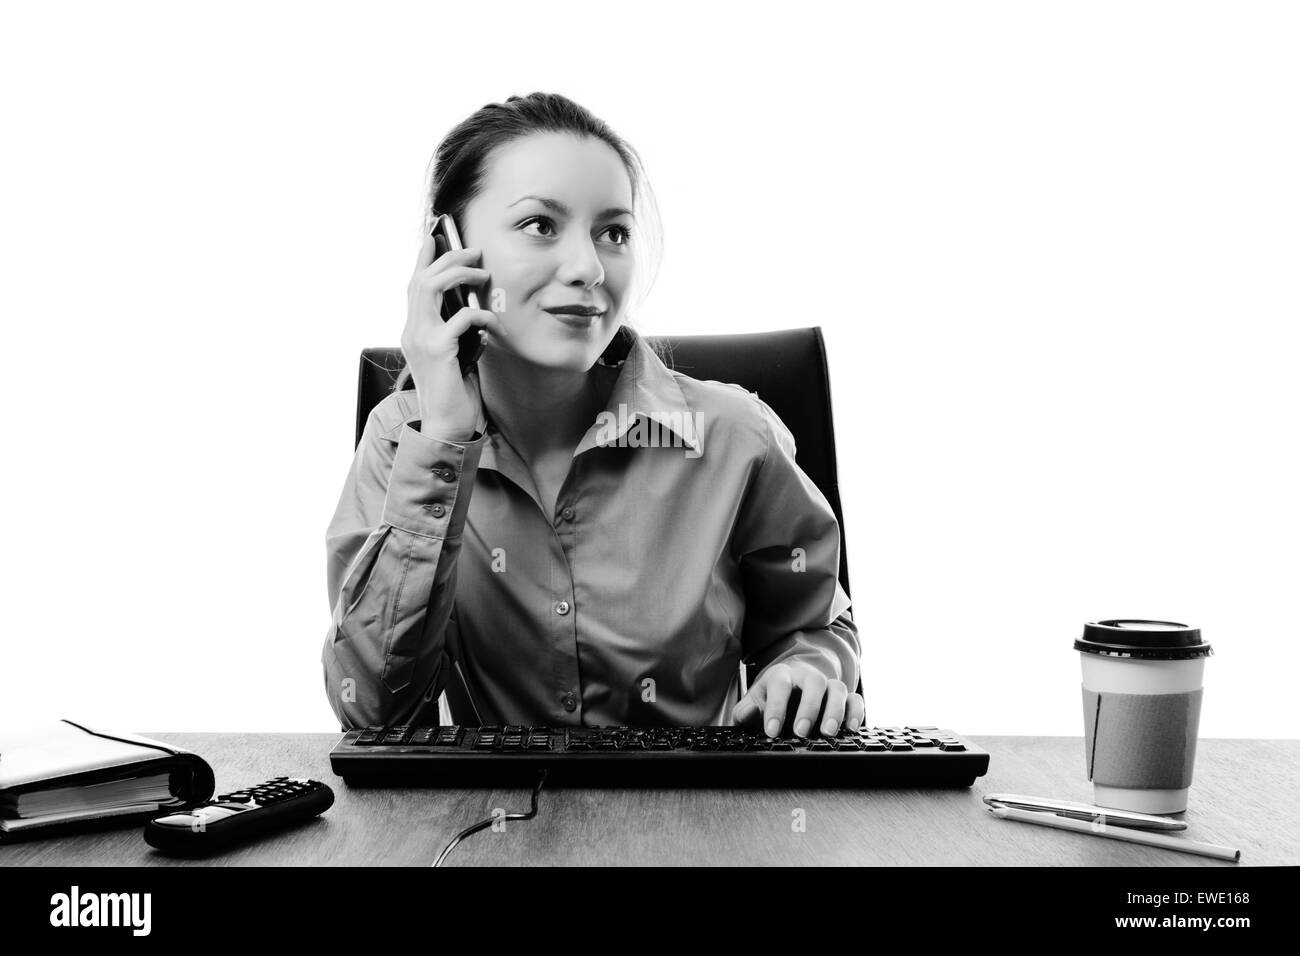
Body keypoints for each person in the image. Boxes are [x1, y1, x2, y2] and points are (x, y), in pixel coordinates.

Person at [321, 92, 862, 738]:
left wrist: (807, 668)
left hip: (701, 826)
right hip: (488, 831)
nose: (587, 269)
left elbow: (813, 626)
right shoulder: (401, 440)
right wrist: (442, 438)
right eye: (540, 226)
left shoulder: (734, 436)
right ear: (449, 250)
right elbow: (374, 713)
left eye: (613, 232)